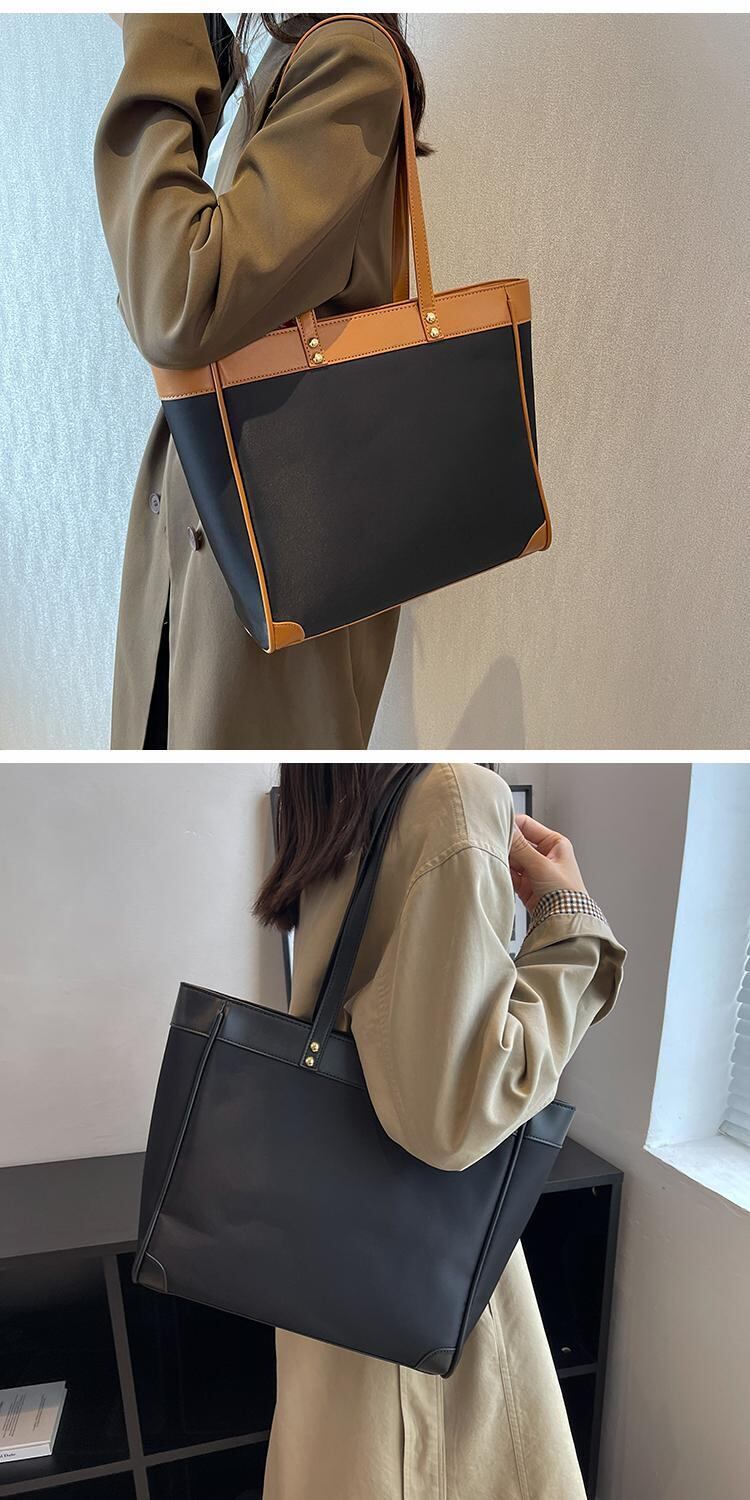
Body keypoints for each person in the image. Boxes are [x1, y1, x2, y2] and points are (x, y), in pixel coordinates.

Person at [253, 761, 626, 1500]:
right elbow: (453, 1118)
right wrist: (570, 924)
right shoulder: (451, 794)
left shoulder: (336, 797)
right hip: (420, 1287)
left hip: (333, 1270)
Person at [95, 13, 427, 749]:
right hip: (213, 558)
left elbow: (177, 300)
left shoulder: (348, 59)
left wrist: (163, 30)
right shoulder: (288, 57)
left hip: (262, 579)